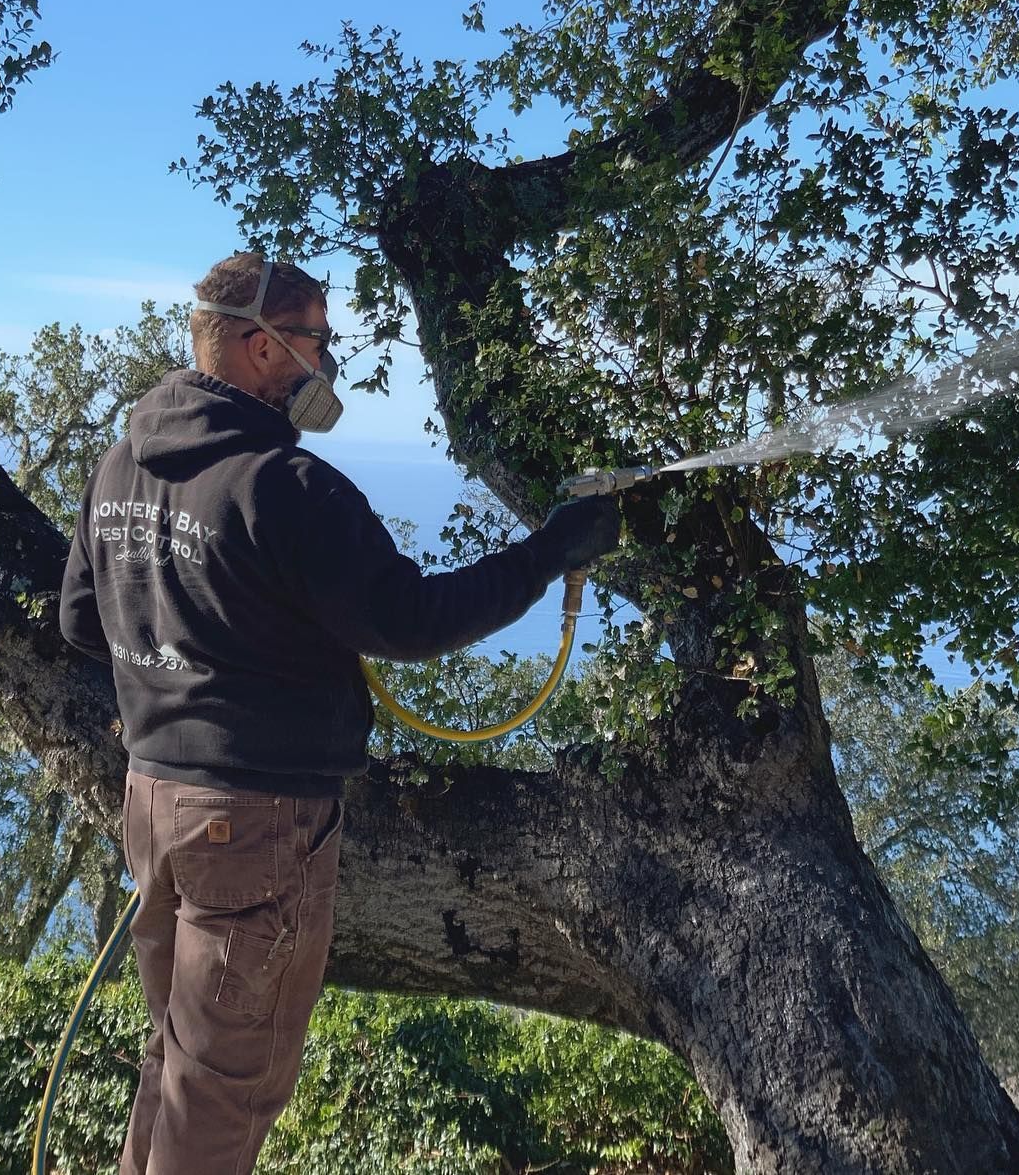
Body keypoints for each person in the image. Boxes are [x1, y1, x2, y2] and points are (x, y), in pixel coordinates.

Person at [59, 251, 623, 1175]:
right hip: (255, 827)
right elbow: (411, 619)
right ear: (257, 345)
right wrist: (554, 547)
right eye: (316, 338)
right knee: (224, 1091)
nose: (327, 362)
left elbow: (84, 620)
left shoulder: (121, 462)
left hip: (154, 803)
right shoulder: (287, 486)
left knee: (177, 1061)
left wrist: (195, 643)